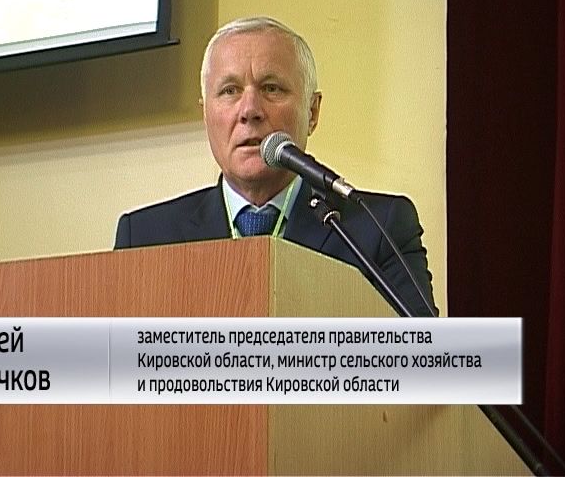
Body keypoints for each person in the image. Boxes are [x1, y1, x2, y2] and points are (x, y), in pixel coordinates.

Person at [115, 16, 436, 317]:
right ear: (206, 115)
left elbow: (421, 351)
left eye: (271, 88)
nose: (249, 110)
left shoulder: (378, 228)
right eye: (229, 91)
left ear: (312, 112)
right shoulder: (145, 237)